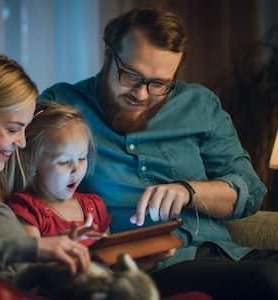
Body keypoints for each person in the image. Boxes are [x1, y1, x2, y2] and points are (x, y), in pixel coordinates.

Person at [40, 7, 278, 300]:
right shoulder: (60, 105)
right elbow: (10, 169)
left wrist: (188, 191)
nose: (141, 94)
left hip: (228, 255)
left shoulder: (199, 104)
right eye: (131, 76)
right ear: (108, 54)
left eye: (159, 84)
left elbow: (251, 191)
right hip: (149, 269)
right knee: (265, 280)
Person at [0, 52, 90, 282]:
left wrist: (55, 252)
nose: (22, 143)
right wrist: (33, 249)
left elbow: (19, 275)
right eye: (12, 129)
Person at [7, 101, 111, 246]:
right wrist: (64, 246)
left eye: (82, 158)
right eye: (63, 162)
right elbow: (29, 262)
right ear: (33, 162)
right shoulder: (27, 210)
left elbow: (112, 255)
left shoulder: (95, 206)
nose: (76, 168)